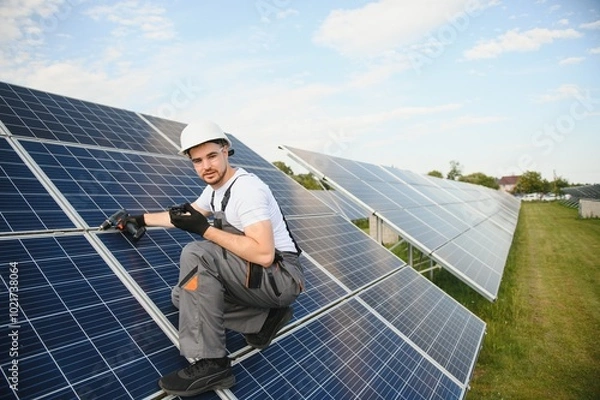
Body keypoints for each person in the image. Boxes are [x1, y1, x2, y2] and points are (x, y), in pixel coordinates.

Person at [120, 120, 304, 397]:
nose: (206, 166)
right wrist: (139, 218)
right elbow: (187, 216)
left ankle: (213, 363)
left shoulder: (246, 191)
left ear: (226, 150)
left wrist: (205, 230)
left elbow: (264, 254)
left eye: (211, 156)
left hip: (279, 276)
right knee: (184, 296)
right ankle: (262, 321)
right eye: (197, 160)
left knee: (196, 253)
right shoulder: (217, 189)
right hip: (257, 276)